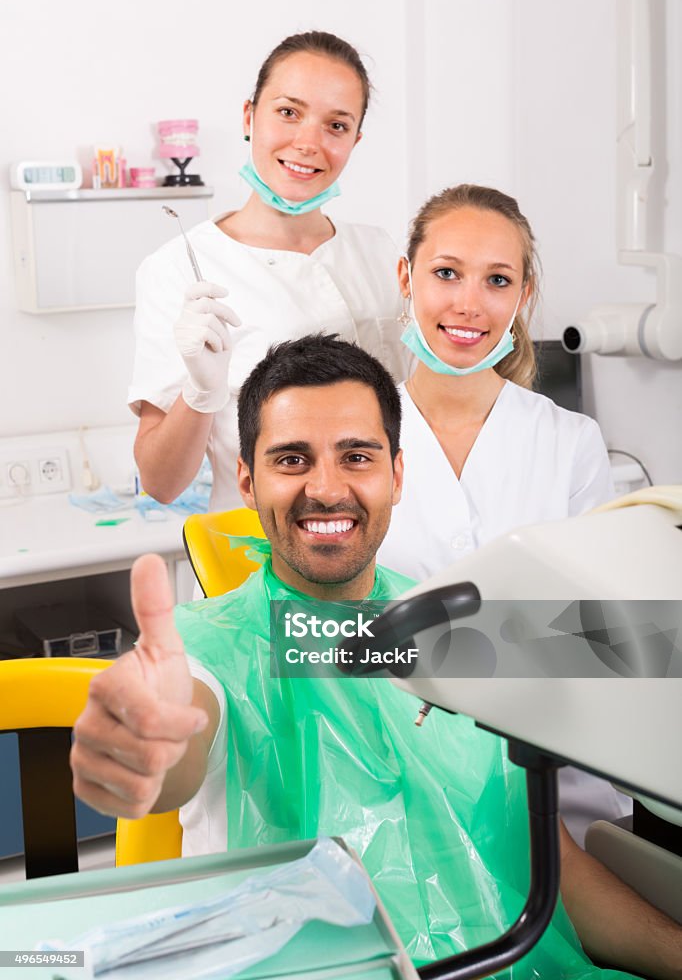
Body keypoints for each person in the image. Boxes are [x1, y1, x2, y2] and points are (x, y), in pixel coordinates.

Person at [73, 336, 682, 980]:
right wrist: (143, 742)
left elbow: (547, 867)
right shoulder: (209, 647)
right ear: (248, 483)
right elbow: (177, 736)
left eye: (355, 456)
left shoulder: (466, 631)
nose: (326, 488)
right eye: (292, 459)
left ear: (395, 475)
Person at [377, 184, 625, 843]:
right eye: (446, 273)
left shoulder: (569, 442)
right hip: (394, 781)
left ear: (524, 296)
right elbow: (320, 631)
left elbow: (606, 639)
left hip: (548, 785)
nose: (468, 303)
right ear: (407, 277)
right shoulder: (354, 439)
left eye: (497, 280)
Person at [128, 31, 410, 514]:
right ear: (249, 116)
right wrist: (200, 392)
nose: (308, 143)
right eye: (288, 112)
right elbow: (160, 482)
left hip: (390, 545)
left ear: (355, 140)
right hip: (261, 557)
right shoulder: (178, 268)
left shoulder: (380, 251)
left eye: (336, 126)